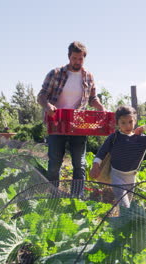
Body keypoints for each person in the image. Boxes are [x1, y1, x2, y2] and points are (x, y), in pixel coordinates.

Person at [37, 41, 105, 196]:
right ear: (69, 57)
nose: (77, 62)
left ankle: (77, 200)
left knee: (79, 164)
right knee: (54, 163)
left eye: (80, 59)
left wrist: (100, 106)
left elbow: (93, 98)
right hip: (57, 123)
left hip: (78, 124)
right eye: (74, 58)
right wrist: (48, 106)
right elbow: (41, 96)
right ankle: (54, 197)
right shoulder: (55, 73)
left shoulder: (88, 76)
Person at [90, 105, 146, 207]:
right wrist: (96, 165)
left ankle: (120, 221)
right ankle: (121, 220)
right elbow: (102, 152)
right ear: (117, 123)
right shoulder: (114, 137)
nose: (127, 126)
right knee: (124, 204)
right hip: (116, 175)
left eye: (130, 122)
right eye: (123, 122)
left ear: (135, 121)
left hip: (131, 177)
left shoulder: (140, 139)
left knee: (126, 205)